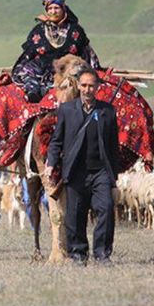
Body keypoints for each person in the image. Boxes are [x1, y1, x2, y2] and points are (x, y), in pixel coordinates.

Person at [44, 68, 120, 265]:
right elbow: (56, 141)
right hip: (76, 171)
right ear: (78, 86)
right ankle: (78, 254)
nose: (87, 89)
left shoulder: (107, 111)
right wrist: (51, 163)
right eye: (84, 85)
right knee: (75, 215)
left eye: (91, 86)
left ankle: (102, 254)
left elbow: (113, 146)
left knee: (106, 209)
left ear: (97, 87)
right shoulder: (67, 110)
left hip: (100, 172)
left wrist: (114, 177)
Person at [11, 0, 101, 102]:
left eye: (56, 8)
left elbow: (87, 53)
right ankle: (34, 94)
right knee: (28, 71)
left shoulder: (75, 31)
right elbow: (28, 55)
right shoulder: (38, 31)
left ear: (63, 9)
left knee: (77, 75)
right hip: (42, 74)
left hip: (68, 72)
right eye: (50, 8)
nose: (53, 12)